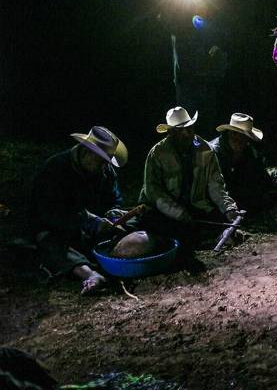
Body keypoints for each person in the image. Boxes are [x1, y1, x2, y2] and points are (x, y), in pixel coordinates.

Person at [30, 126, 128, 295]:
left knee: (131, 225)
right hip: (60, 228)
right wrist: (88, 220)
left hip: (93, 231)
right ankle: (90, 275)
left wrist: (113, 213)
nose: (104, 166)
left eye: (107, 161)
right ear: (85, 152)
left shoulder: (105, 171)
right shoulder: (55, 168)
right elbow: (48, 212)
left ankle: (116, 261)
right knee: (49, 241)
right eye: (101, 161)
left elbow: (114, 200)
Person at [138, 107, 241, 263]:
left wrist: (229, 209)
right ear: (170, 132)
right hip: (165, 211)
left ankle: (194, 238)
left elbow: (216, 186)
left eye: (189, 128)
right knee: (155, 223)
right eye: (180, 131)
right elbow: (154, 192)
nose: (186, 134)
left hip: (195, 207)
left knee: (221, 219)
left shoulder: (205, 150)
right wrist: (177, 213)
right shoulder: (157, 154)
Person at [208, 112, 277, 214]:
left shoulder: (249, 151)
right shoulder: (213, 152)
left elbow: (262, 173)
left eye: (243, 137)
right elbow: (213, 186)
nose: (240, 140)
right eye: (236, 135)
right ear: (229, 133)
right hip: (217, 200)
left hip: (238, 197)